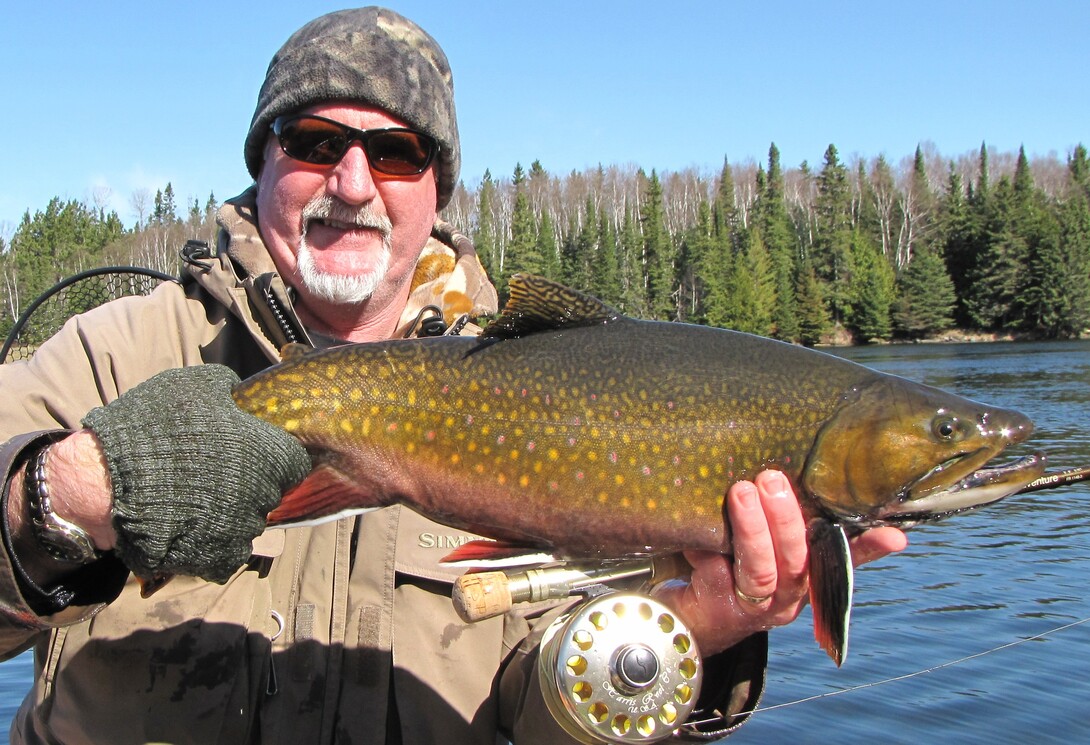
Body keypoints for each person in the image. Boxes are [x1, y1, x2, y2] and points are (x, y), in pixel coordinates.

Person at [0, 7, 906, 743]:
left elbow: (546, 719)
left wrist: (693, 629)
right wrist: (60, 495)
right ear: (263, 163)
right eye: (314, 140)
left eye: (397, 153)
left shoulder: (562, 398)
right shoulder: (114, 352)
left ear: (437, 186)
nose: (354, 181)